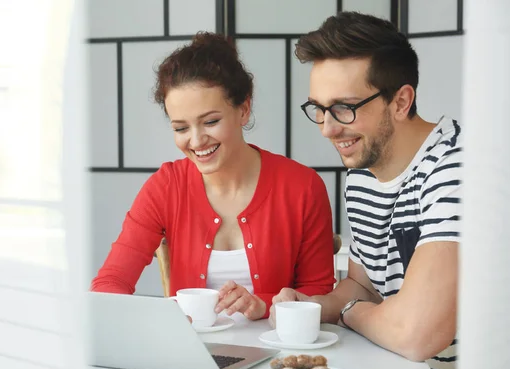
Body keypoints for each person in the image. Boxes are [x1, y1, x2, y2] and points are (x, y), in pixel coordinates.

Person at [270, 12, 461, 369]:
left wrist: (349, 313)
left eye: (345, 107)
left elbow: (415, 333)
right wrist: (312, 306)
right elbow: (365, 287)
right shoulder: (362, 173)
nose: (327, 128)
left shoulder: (456, 168)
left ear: (401, 101)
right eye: (318, 109)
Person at [91, 32, 336, 321]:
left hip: (279, 357)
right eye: (181, 128)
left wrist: (264, 305)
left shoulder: (302, 187)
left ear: (243, 109)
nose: (196, 141)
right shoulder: (166, 186)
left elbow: (318, 296)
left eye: (210, 122)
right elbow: (110, 283)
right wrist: (158, 323)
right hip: (192, 358)